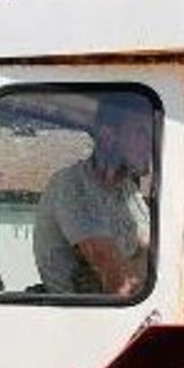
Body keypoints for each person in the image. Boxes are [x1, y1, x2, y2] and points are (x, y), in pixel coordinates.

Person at [33, 95, 154, 296]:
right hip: (77, 320)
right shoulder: (72, 185)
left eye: (152, 134)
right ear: (108, 136)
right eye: (140, 133)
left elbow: (157, 258)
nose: (150, 143)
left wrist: (133, 264)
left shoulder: (128, 191)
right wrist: (137, 263)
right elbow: (121, 287)